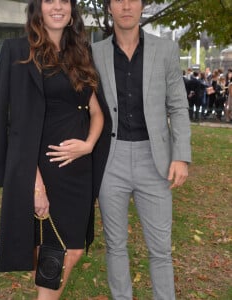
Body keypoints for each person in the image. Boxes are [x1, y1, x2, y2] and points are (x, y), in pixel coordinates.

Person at [0, 0, 111, 299]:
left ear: (72, 10)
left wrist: (88, 145)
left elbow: (97, 112)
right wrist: (35, 186)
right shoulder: (18, 51)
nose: (57, 7)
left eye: (64, 2)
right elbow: (17, 124)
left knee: (71, 250)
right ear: (38, 8)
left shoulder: (81, 54)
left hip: (78, 173)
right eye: (49, 1)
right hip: (44, 169)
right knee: (55, 252)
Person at [91, 0, 191, 299]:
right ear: (109, 7)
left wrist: (181, 156)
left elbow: (178, 105)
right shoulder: (94, 53)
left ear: (142, 6)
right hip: (111, 159)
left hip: (155, 159)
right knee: (115, 245)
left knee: (160, 249)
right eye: (118, 0)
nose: (125, 6)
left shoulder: (166, 50)